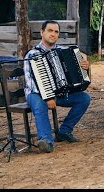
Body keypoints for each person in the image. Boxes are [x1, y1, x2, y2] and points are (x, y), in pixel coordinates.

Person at [24, 20, 91, 154]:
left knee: (84, 99)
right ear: (42, 33)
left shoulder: (64, 52)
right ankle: (47, 141)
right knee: (40, 104)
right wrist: (48, 96)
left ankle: (64, 131)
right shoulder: (32, 54)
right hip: (35, 93)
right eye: (50, 31)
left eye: (56, 32)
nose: (53, 34)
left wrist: (84, 68)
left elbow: (74, 74)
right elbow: (30, 82)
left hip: (58, 94)